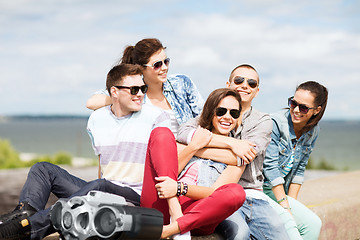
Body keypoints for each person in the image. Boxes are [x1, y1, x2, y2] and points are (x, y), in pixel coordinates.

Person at [0, 64, 172, 240]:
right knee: (42, 170)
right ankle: (24, 217)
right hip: (102, 192)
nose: (140, 94)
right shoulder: (97, 119)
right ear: (114, 92)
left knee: (100, 184)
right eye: (134, 89)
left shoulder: (156, 117)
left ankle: (27, 229)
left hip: (135, 197)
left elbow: (170, 162)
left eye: (143, 88)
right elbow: (103, 164)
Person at [177, 64, 290, 240]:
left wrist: (197, 148)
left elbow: (243, 157)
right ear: (229, 83)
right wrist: (232, 143)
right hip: (221, 194)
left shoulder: (262, 121)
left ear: (257, 91)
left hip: (250, 192)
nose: (245, 85)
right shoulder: (213, 110)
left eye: (251, 83)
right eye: (239, 80)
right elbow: (183, 133)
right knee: (239, 234)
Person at [141, 88, 246, 238]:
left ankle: (171, 229)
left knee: (236, 192)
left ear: (238, 118)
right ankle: (175, 212)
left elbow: (214, 192)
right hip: (166, 203)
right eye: (221, 111)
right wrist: (193, 146)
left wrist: (179, 188)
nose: (227, 117)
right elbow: (168, 172)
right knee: (161, 133)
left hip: (198, 213)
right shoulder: (191, 138)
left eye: (234, 113)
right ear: (211, 111)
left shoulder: (239, 153)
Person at [86, 38, 204, 136]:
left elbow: (203, 116)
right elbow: (92, 102)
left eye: (166, 61)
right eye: (157, 65)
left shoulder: (181, 83)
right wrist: (126, 97)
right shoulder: (135, 92)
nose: (164, 68)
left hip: (189, 149)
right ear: (141, 68)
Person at [263, 81, 328, 239]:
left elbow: (299, 170)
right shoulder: (275, 123)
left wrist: (292, 204)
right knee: (291, 228)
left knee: (314, 224)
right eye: (293, 103)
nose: (296, 110)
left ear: (316, 110)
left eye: (304, 107)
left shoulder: (313, 131)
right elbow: (270, 169)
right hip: (262, 189)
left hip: (280, 192)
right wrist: (286, 208)